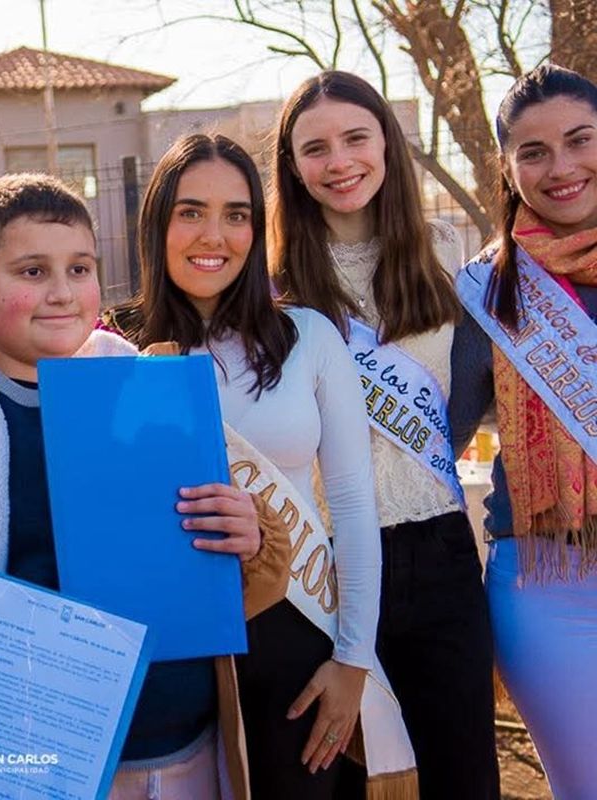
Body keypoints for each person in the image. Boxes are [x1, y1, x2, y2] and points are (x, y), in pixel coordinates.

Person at [0, 172, 294, 799]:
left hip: (185, 748)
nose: (61, 293)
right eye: (31, 272)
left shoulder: (150, 391)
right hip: (30, 760)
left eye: (80, 269)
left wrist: (249, 537)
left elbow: (245, 581)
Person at [123, 132, 409, 799]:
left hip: (294, 642)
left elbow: (353, 503)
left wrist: (352, 658)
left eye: (237, 213)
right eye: (190, 211)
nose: (213, 235)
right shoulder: (112, 344)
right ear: (157, 222)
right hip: (167, 658)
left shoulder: (308, 336)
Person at [270, 70, 498, 799]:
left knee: (464, 775)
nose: (339, 162)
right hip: (321, 563)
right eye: (315, 149)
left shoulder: (441, 250)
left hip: (438, 550)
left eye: (355, 138)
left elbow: (463, 397)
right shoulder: (272, 285)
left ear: (388, 146)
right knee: (332, 776)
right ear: (293, 168)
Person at [449, 63, 597, 800]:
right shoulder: (486, 292)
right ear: (508, 168)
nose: (561, 167)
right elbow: (431, 442)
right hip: (550, 591)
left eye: (580, 140)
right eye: (533, 152)